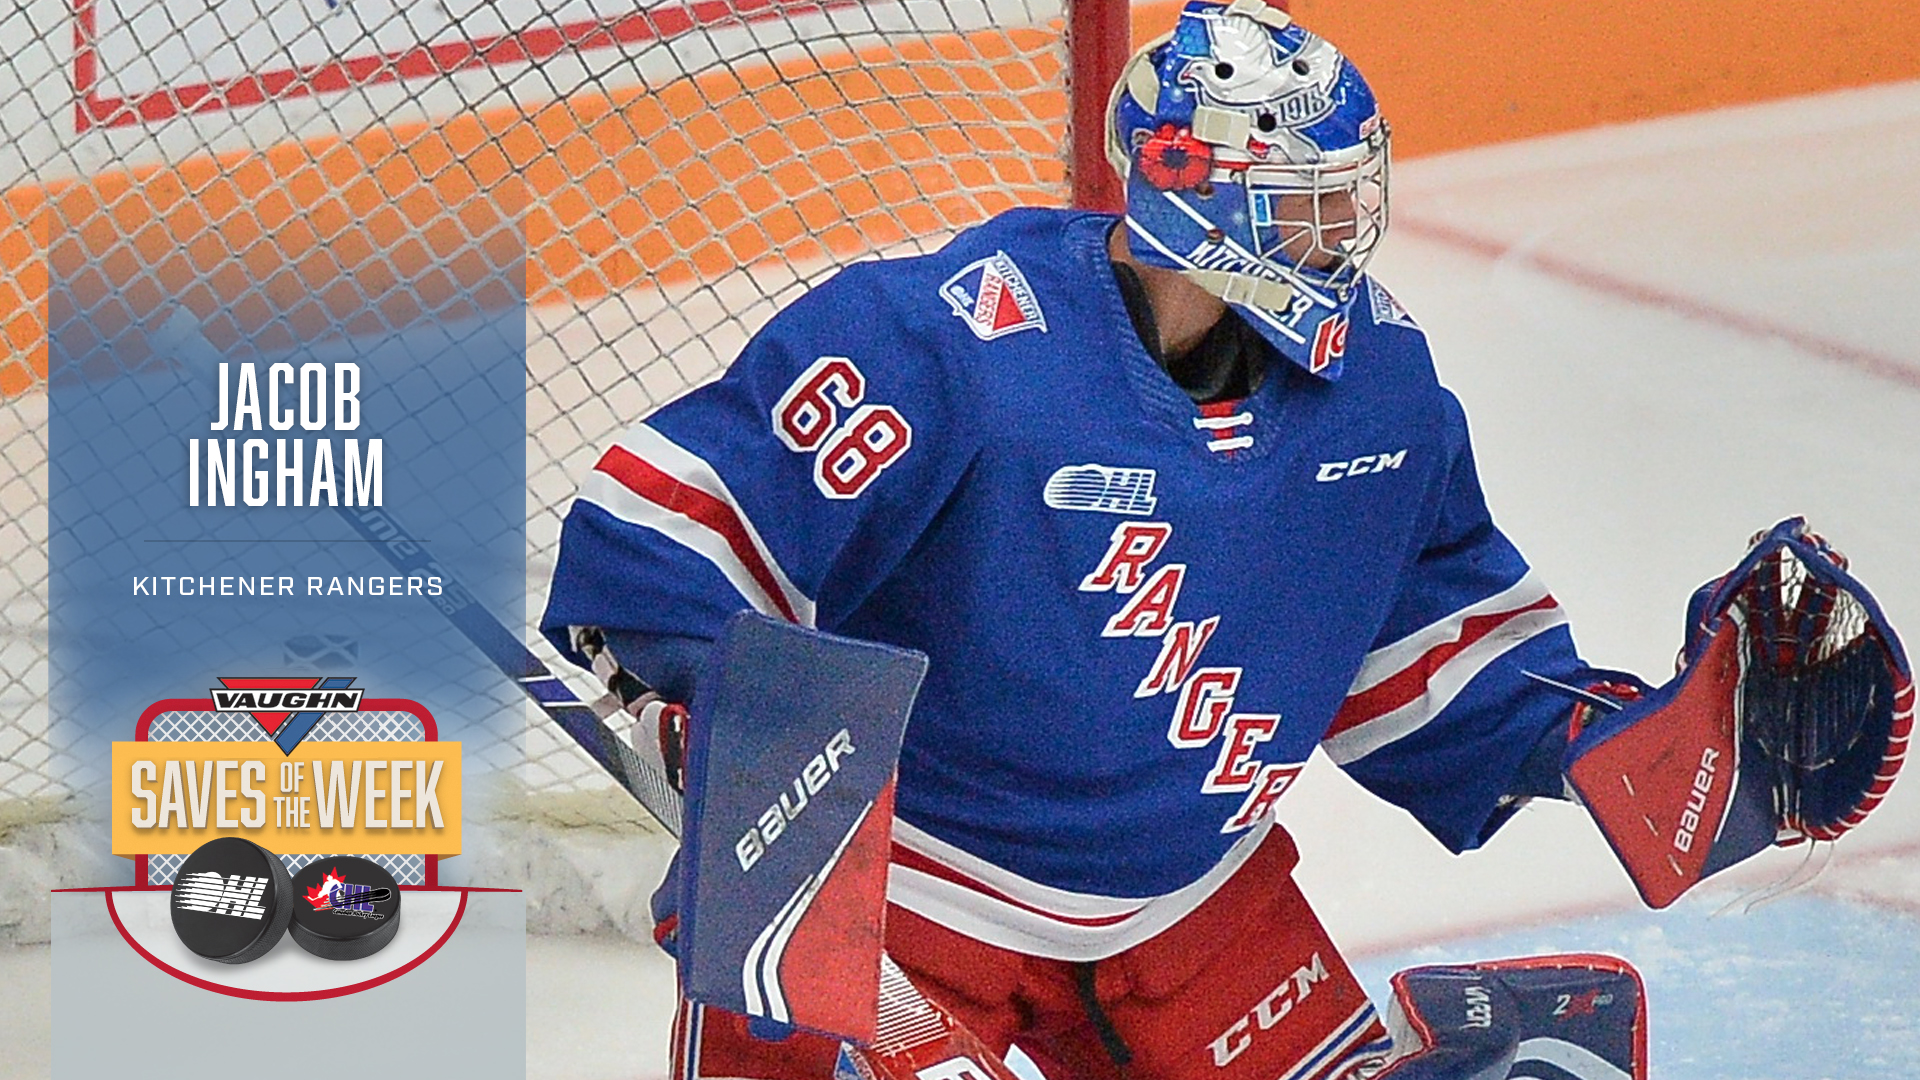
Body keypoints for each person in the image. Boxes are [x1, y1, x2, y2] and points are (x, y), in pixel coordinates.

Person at [542, 2, 1622, 1077]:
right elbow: (676, 541)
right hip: (901, 894)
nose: (1344, 229)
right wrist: (710, 700)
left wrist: (1615, 746)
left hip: (1189, 908)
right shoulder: (953, 344)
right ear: (1202, 198)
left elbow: (1427, 639)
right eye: (1309, 201)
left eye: (1348, 194)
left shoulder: (1377, 388)